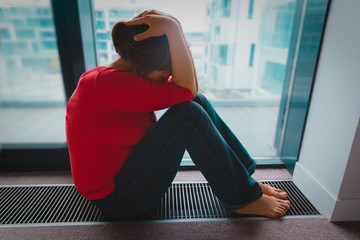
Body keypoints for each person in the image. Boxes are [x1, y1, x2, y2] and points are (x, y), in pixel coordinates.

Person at [65, 10, 290, 219]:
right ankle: (242, 199)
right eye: (166, 71)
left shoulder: (125, 77)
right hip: (116, 199)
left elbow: (191, 90)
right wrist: (171, 28)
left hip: (127, 176)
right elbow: (186, 89)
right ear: (143, 64)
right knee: (189, 114)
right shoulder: (109, 83)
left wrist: (177, 31)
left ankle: (243, 179)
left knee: (195, 101)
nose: (170, 75)